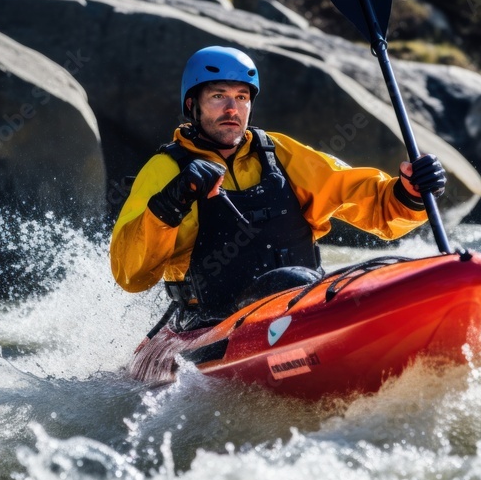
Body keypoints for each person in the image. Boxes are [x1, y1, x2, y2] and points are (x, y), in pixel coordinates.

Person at [110, 46, 446, 333]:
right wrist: (171, 202)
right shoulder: (165, 169)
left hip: (298, 303)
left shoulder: (280, 154)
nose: (232, 109)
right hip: (209, 324)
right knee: (280, 284)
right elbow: (130, 274)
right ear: (191, 105)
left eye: (242, 97)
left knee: (290, 280)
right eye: (218, 96)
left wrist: (409, 192)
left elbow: (373, 206)